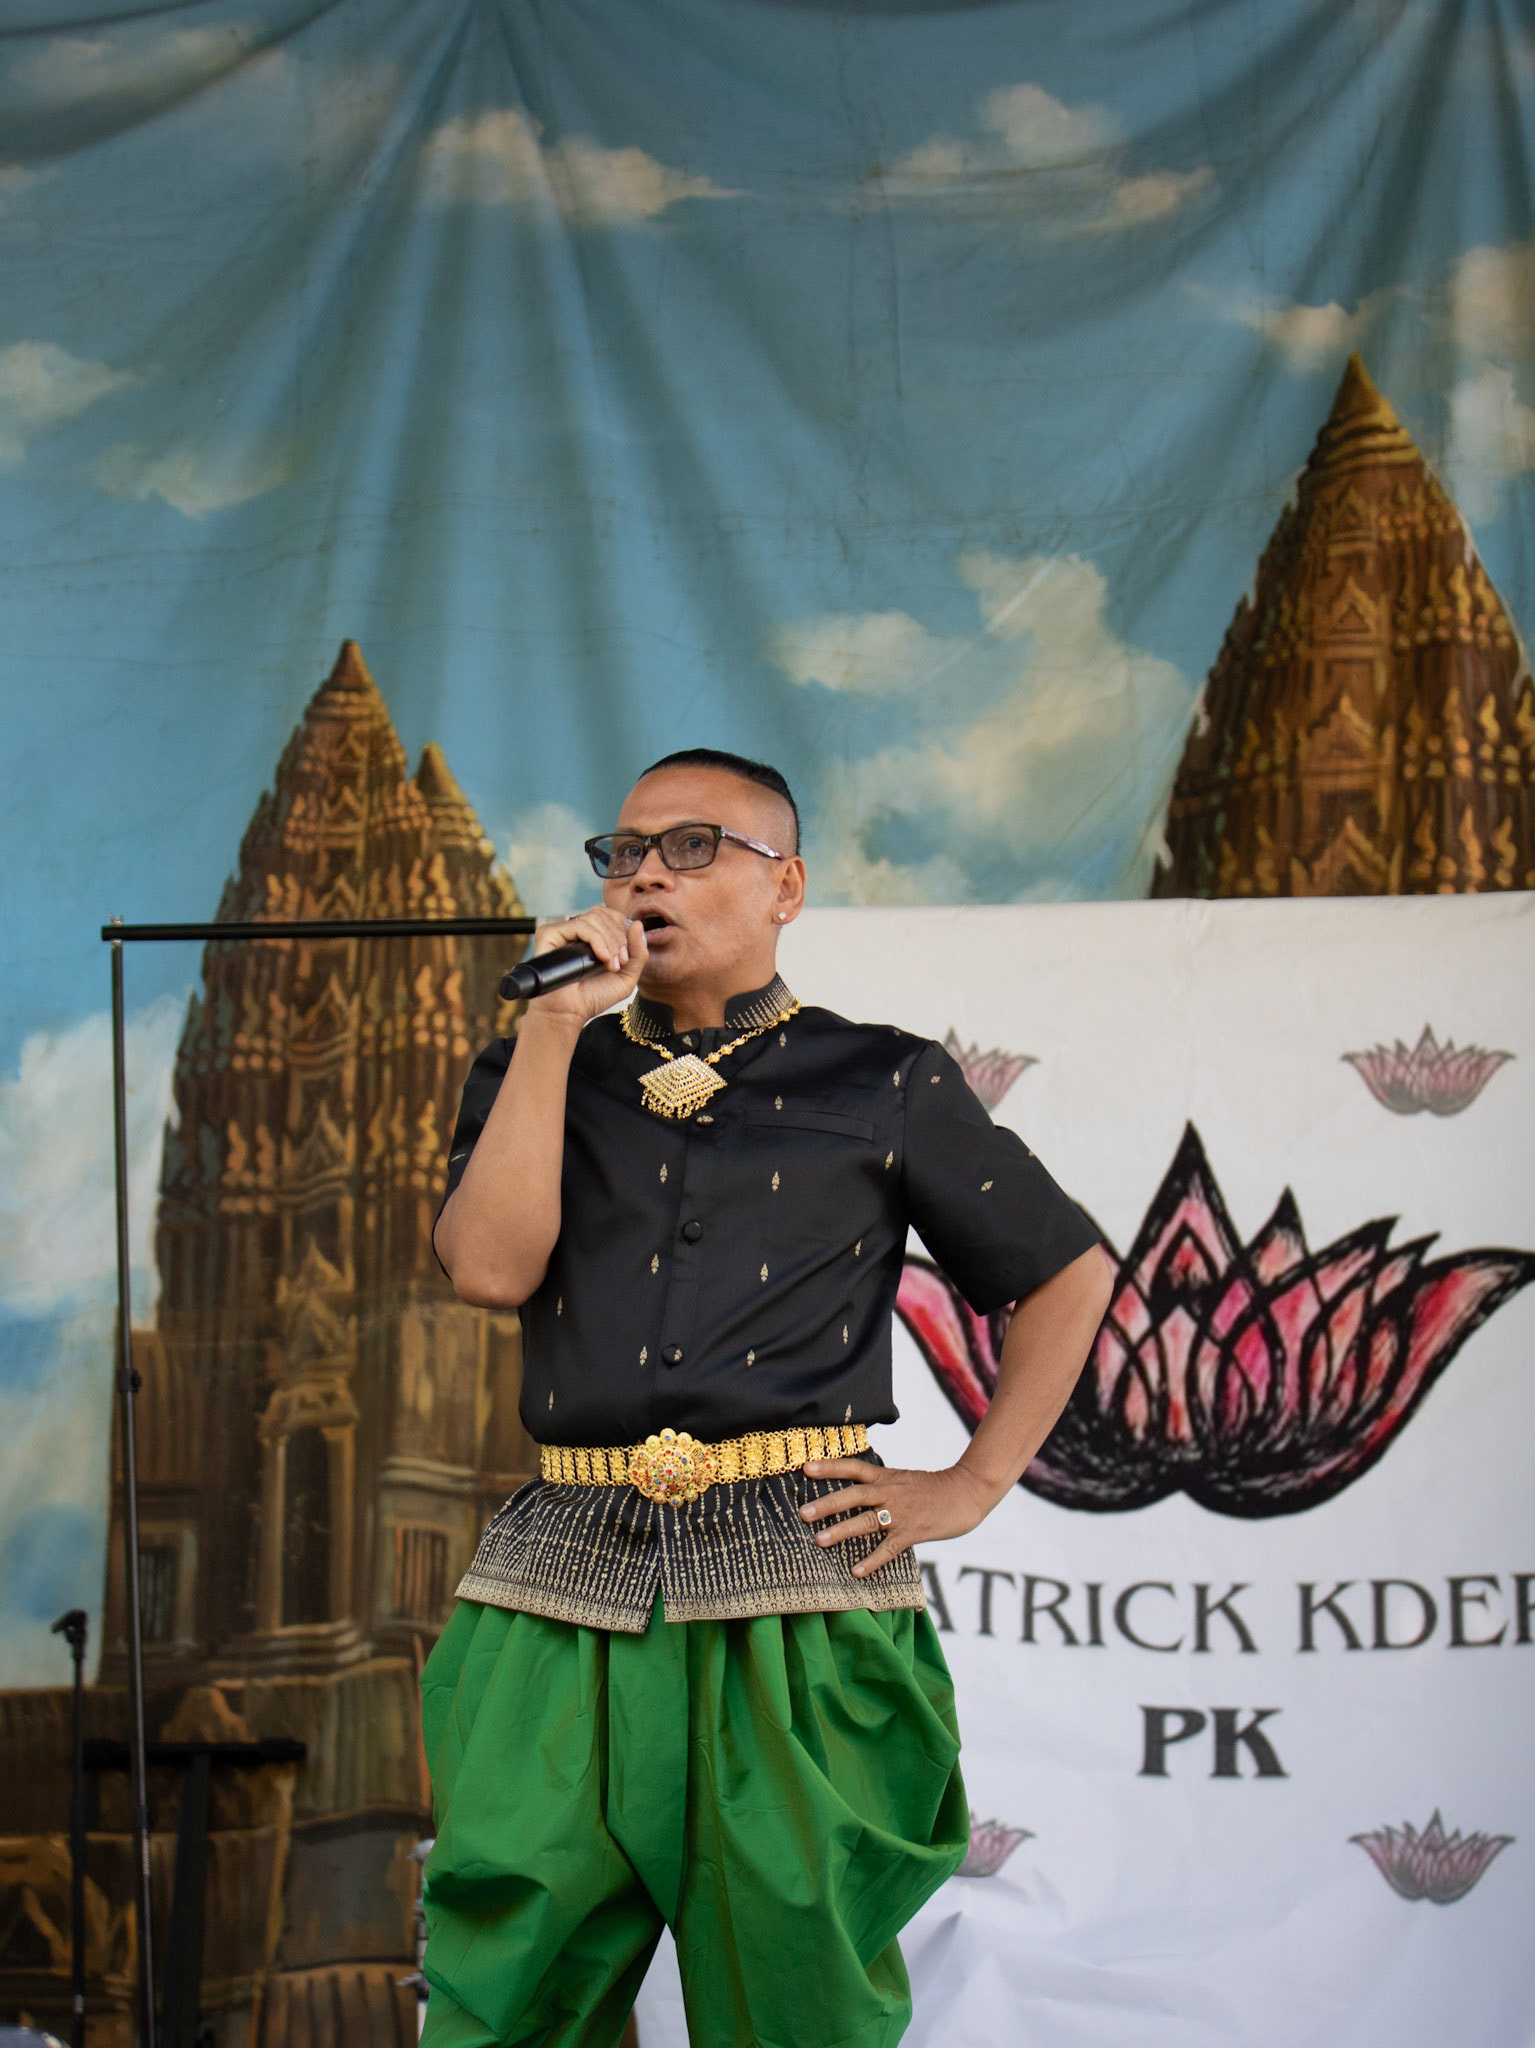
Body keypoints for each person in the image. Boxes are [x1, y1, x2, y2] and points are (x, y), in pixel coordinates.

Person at [421, 748, 1112, 2048]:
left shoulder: (882, 1078)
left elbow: (1067, 1271)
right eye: (625, 853)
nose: (648, 876)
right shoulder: (537, 1065)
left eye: (693, 848)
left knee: (799, 1989)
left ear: (785, 886)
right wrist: (553, 1030)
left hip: (795, 1579)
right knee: (506, 1985)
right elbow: (490, 1271)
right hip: (560, 1582)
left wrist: (972, 1483)